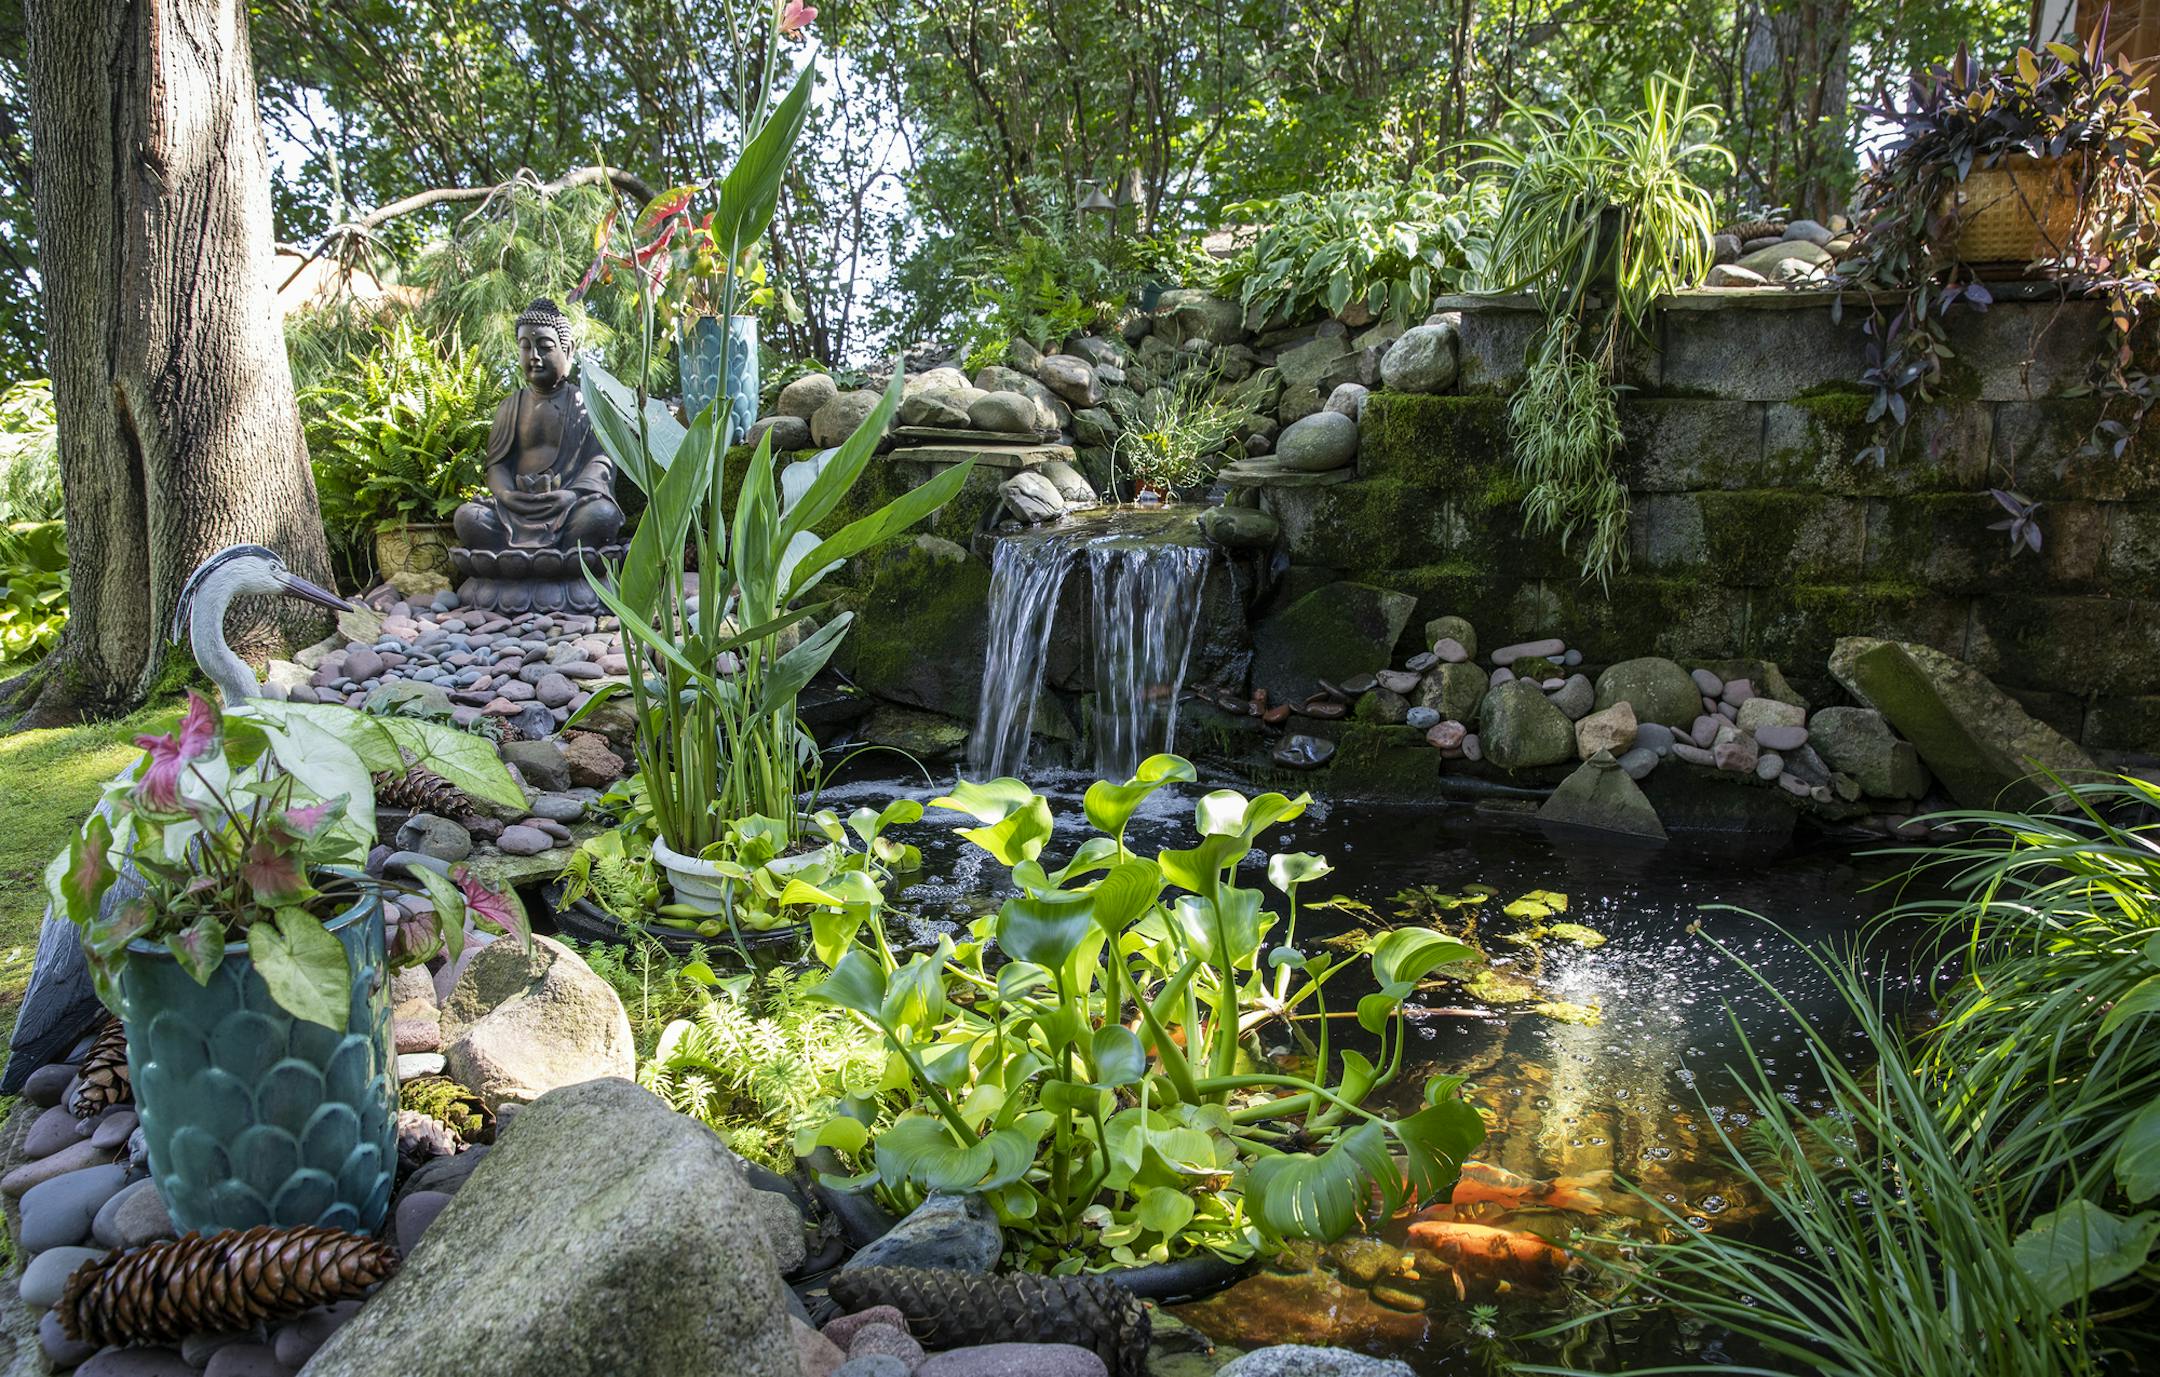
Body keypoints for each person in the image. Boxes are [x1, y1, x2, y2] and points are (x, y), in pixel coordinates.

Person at [452, 298, 623, 552]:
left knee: (602, 515)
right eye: (525, 347)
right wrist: (508, 495)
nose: (534, 356)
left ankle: (520, 567)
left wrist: (573, 494)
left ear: (568, 350)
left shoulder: (586, 405)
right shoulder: (510, 407)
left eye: (544, 347)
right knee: (467, 517)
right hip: (515, 510)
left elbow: (601, 462)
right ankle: (555, 565)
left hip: (568, 508)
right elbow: (497, 465)